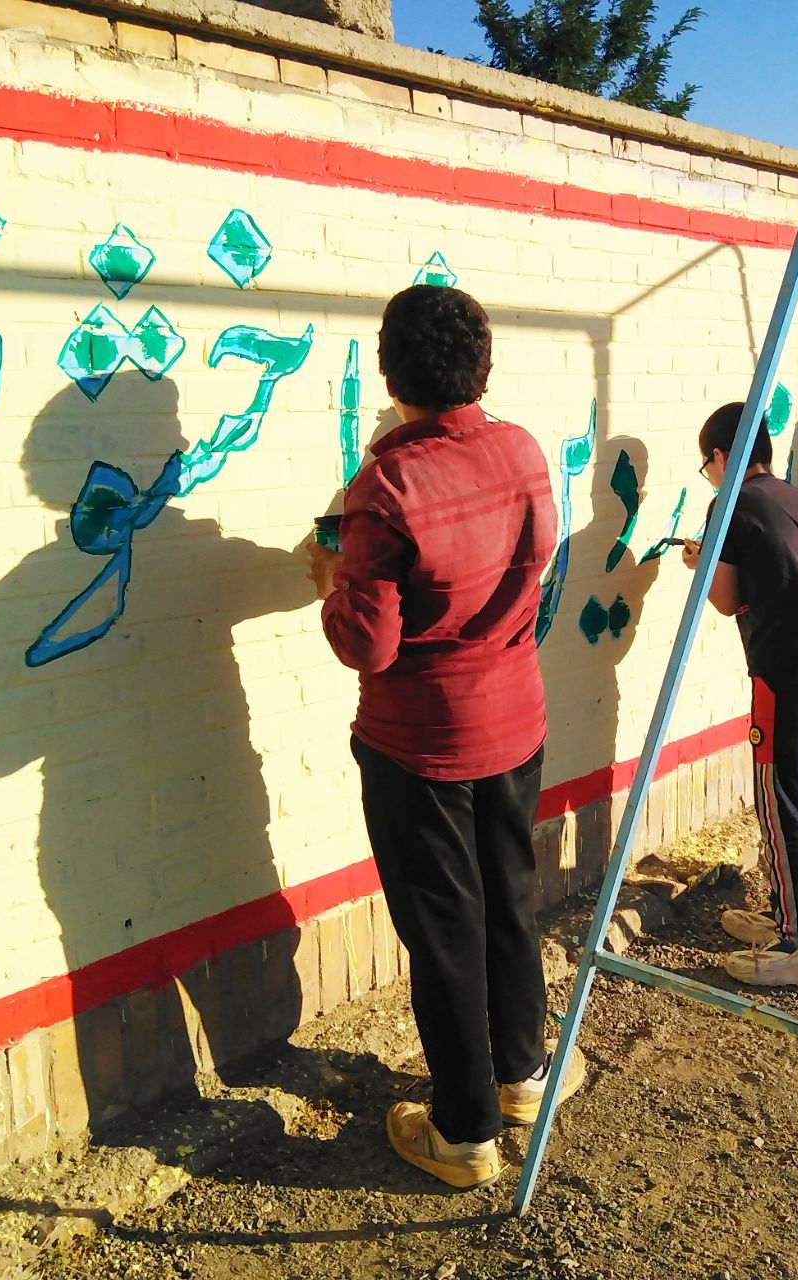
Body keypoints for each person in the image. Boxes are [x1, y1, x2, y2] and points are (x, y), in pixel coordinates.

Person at [305, 285, 585, 1190]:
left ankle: (462, 1132)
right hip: (515, 720)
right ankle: (524, 1075)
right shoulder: (521, 452)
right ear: (482, 365)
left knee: (443, 930)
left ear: (391, 371)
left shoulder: (385, 485)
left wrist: (332, 577)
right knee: (509, 898)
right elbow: (538, 564)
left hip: (419, 744)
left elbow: (368, 643)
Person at [682, 403, 798, 990]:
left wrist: (702, 562)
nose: (708, 476)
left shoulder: (729, 504)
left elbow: (726, 599)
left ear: (722, 458)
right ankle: (789, 918)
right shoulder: (794, 496)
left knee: (777, 801)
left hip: (788, 668)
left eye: (707, 465)